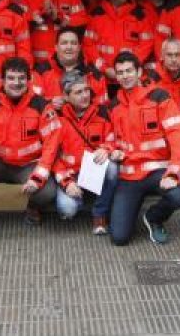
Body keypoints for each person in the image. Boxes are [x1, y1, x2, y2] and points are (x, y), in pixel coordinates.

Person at [0, 58, 60, 237]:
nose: (16, 83)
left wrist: (37, 178)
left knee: (47, 193)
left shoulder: (42, 106)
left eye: (21, 78)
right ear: (3, 80)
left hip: (28, 165)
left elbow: (52, 145)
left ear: (29, 81)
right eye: (11, 78)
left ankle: (31, 206)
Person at [108, 53, 180, 245]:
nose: (125, 76)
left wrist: (173, 173)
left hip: (157, 171)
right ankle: (129, 213)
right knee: (119, 238)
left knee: (178, 194)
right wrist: (112, 150)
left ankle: (154, 217)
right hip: (129, 176)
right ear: (116, 77)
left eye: (129, 71)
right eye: (120, 73)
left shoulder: (159, 97)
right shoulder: (114, 106)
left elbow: (178, 135)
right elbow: (109, 139)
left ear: (139, 72)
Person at [51, 70, 118, 235]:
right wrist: (67, 183)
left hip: (93, 170)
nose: (85, 95)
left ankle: (99, 214)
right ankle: (80, 197)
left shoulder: (102, 112)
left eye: (86, 90)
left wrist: (106, 149)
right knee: (68, 210)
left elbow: (112, 138)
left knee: (113, 167)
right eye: (78, 92)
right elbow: (51, 156)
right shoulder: (56, 117)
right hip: (70, 174)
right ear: (66, 97)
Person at [83, 0, 157, 83]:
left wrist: (128, 68)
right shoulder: (96, 15)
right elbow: (88, 45)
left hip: (131, 77)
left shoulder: (140, 15)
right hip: (103, 78)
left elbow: (147, 44)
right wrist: (105, 69)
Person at [32, 27, 109, 108]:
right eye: (64, 43)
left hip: (86, 120)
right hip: (50, 118)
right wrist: (50, 102)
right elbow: (33, 103)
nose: (69, 47)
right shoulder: (41, 71)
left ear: (79, 48)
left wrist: (83, 106)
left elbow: (102, 110)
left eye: (73, 43)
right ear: (56, 47)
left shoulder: (94, 75)